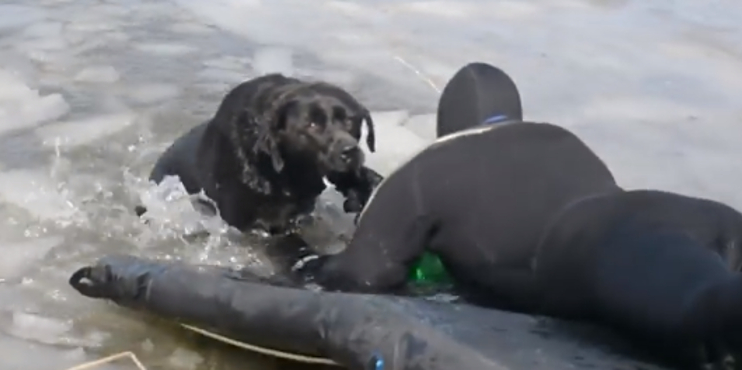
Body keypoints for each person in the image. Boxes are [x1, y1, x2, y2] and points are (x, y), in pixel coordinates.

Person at [288, 62, 742, 369]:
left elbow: (361, 276)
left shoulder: (427, 171)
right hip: (681, 214)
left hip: (597, 247)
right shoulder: (559, 139)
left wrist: (295, 257)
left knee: (716, 316)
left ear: (451, 125)